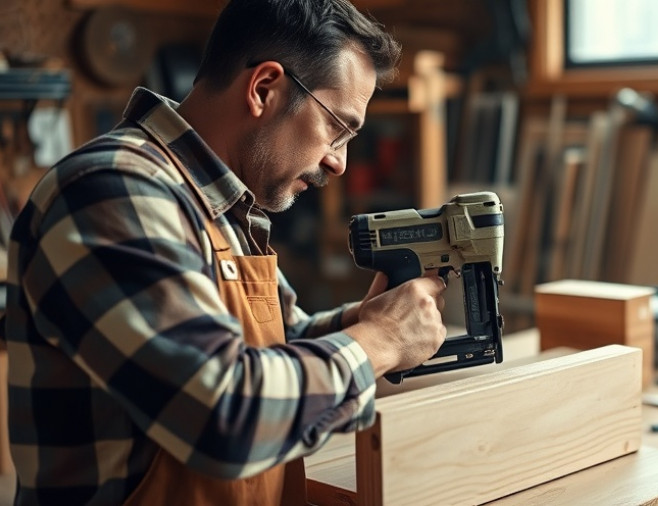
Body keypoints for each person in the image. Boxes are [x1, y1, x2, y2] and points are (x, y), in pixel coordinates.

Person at [2, 0, 447, 504]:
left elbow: (284, 341)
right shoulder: (112, 190)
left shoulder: (220, 205)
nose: (338, 162)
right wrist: (380, 340)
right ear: (264, 89)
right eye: (337, 128)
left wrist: (378, 318)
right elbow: (223, 413)